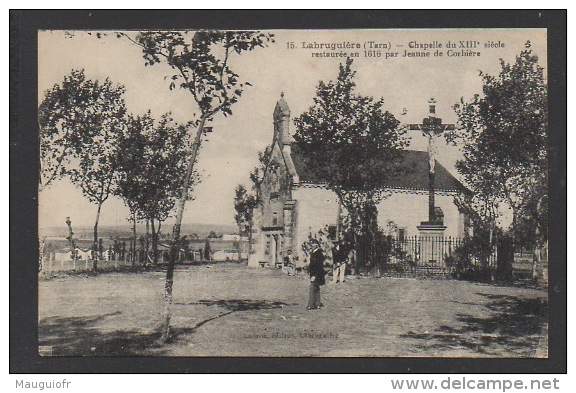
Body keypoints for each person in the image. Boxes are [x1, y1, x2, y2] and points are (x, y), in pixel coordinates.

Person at [307, 240, 326, 310]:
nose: (311, 246)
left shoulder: (318, 254)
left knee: (312, 288)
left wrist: (314, 275)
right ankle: (318, 304)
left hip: (317, 274)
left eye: (312, 244)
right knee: (317, 288)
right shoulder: (313, 253)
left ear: (316, 245)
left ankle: (311, 305)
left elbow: (318, 266)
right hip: (315, 274)